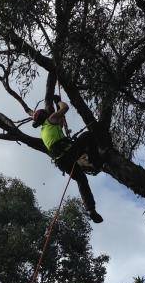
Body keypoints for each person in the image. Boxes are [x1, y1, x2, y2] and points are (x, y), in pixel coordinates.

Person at [32, 95, 103, 223]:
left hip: (61, 162)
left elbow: (60, 122)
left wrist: (59, 112)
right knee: (88, 136)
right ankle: (96, 163)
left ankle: (91, 210)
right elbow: (65, 108)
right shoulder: (50, 119)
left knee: (81, 179)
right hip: (68, 154)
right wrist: (58, 101)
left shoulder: (44, 131)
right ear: (45, 116)